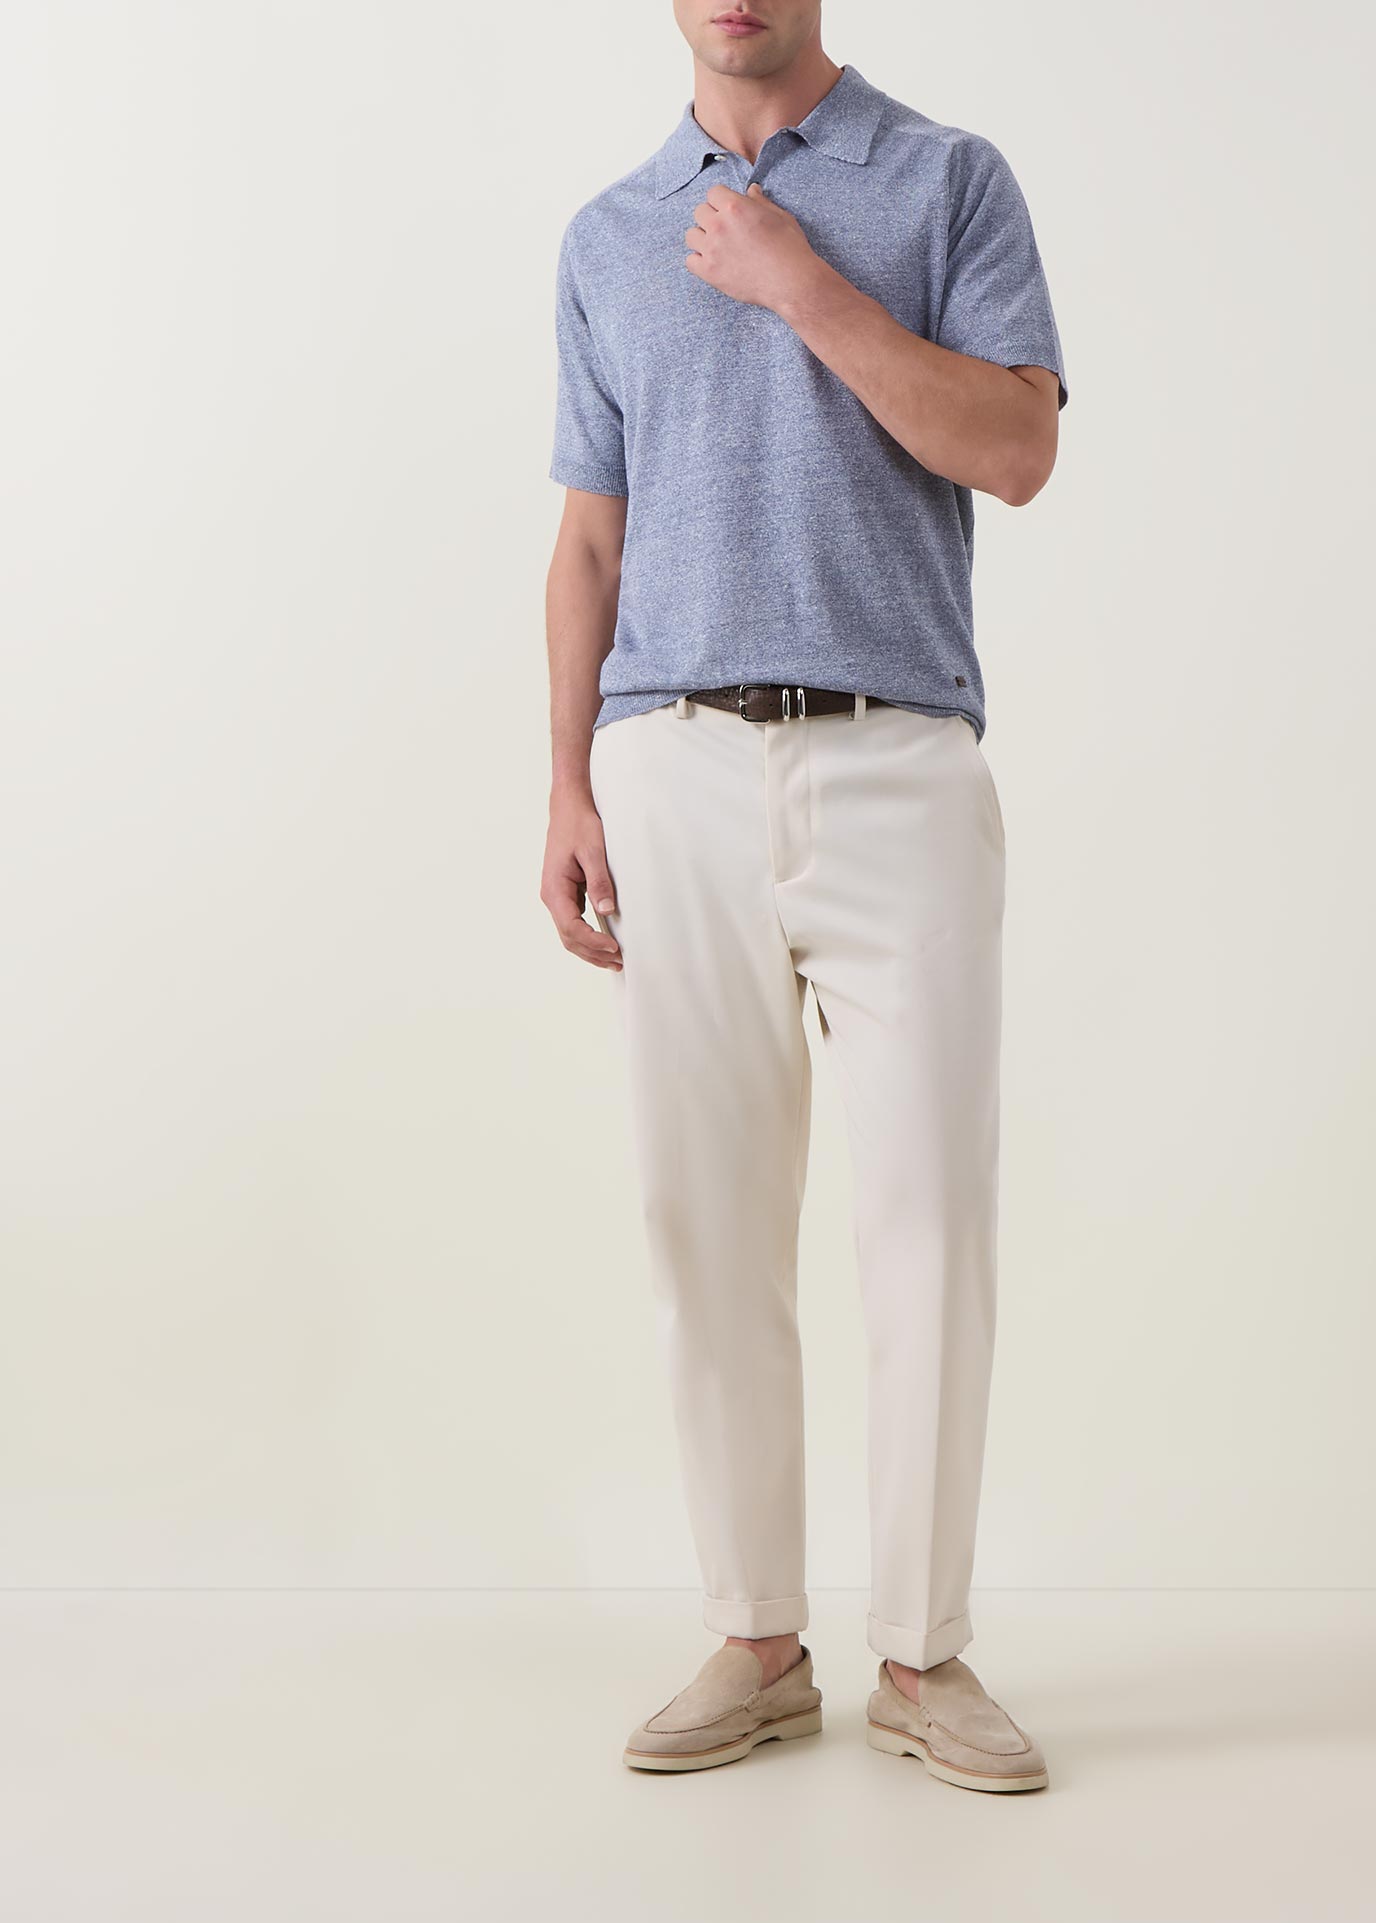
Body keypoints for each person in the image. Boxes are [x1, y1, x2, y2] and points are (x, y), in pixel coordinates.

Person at [540, 0, 1067, 1794]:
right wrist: (566, 784)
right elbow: (590, 534)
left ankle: (924, 1654)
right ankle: (757, 1639)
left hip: (896, 754)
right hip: (669, 765)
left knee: (930, 1223)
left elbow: (1016, 447)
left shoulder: (946, 182)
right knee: (702, 1223)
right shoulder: (609, 234)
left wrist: (802, 288)